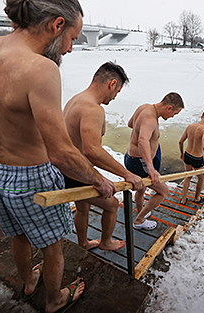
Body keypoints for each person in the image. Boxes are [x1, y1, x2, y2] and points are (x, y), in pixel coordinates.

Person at [0, 1, 117, 312]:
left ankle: (28, 280)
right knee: (52, 247)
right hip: (33, 178)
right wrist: (99, 181)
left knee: (18, 234)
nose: (68, 49)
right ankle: (54, 299)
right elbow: (62, 153)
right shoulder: (40, 69)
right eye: (73, 39)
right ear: (57, 25)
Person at [62, 61, 145, 251]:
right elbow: (92, 150)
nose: (115, 97)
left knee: (83, 206)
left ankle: (83, 243)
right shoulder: (93, 109)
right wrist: (127, 174)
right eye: (118, 92)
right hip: (75, 171)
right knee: (112, 204)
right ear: (112, 84)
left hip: (67, 168)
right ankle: (106, 242)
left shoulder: (75, 100)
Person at [124, 92, 184, 230]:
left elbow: (130, 124)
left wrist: (145, 133)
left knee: (141, 189)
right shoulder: (150, 119)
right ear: (169, 107)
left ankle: (141, 212)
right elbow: (142, 140)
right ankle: (139, 221)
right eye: (174, 113)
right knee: (163, 191)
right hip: (140, 163)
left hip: (131, 158)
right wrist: (150, 168)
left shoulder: (144, 107)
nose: (172, 117)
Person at [178, 110, 204, 205]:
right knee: (201, 178)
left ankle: (183, 199)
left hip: (187, 154)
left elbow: (180, 141)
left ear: (202, 116)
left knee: (188, 176)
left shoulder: (190, 126)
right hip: (197, 158)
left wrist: (182, 154)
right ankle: (197, 198)